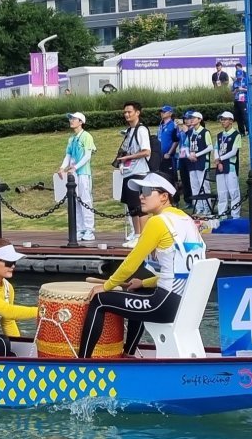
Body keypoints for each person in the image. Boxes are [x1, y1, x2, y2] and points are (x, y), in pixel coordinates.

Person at [79, 174, 204, 358]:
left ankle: (81, 363)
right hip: (185, 304)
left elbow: (131, 263)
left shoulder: (158, 222)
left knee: (99, 301)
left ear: (164, 196)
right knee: (137, 292)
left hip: (166, 304)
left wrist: (106, 286)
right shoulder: (187, 221)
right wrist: (144, 283)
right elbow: (182, 272)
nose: (140, 196)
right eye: (140, 191)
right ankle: (128, 355)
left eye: (146, 191)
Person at [114, 101, 151, 246]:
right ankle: (137, 234)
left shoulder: (141, 130)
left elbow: (146, 151)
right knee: (131, 206)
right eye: (125, 112)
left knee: (140, 206)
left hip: (139, 172)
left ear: (137, 112)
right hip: (129, 172)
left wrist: (128, 157)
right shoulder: (129, 131)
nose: (127, 115)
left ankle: (143, 236)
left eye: (129, 112)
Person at [57, 112, 97, 242]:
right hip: (73, 174)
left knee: (85, 200)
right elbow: (68, 155)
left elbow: (87, 155)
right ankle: (80, 229)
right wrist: (62, 167)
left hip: (83, 173)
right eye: (71, 119)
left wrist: (76, 167)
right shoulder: (71, 139)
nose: (71, 121)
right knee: (75, 201)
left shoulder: (86, 136)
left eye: (74, 119)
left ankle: (89, 230)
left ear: (81, 122)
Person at [214, 110, 243, 219]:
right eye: (222, 119)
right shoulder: (219, 135)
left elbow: (233, 152)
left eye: (225, 119)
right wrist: (217, 160)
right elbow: (216, 148)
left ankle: (235, 215)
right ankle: (222, 215)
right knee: (221, 192)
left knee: (233, 191)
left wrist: (219, 159)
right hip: (220, 165)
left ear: (231, 121)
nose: (222, 122)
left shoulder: (236, 135)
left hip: (230, 166)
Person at [231, 60, 249, 136]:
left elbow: (250, 90)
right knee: (238, 117)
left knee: (245, 116)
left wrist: (243, 89)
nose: (239, 78)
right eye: (237, 77)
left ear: (242, 75)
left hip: (244, 100)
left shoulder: (246, 80)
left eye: (240, 77)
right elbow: (232, 92)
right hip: (237, 100)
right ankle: (241, 132)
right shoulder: (235, 82)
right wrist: (236, 90)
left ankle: (248, 130)